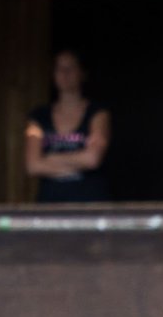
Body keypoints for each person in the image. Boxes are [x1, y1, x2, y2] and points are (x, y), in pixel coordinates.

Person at [24, 49, 111, 203]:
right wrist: (77, 163)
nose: (65, 73)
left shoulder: (97, 113)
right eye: (59, 68)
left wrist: (50, 158)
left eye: (70, 67)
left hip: (88, 202)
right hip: (50, 203)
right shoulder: (38, 117)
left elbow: (93, 158)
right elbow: (33, 165)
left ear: (82, 73)